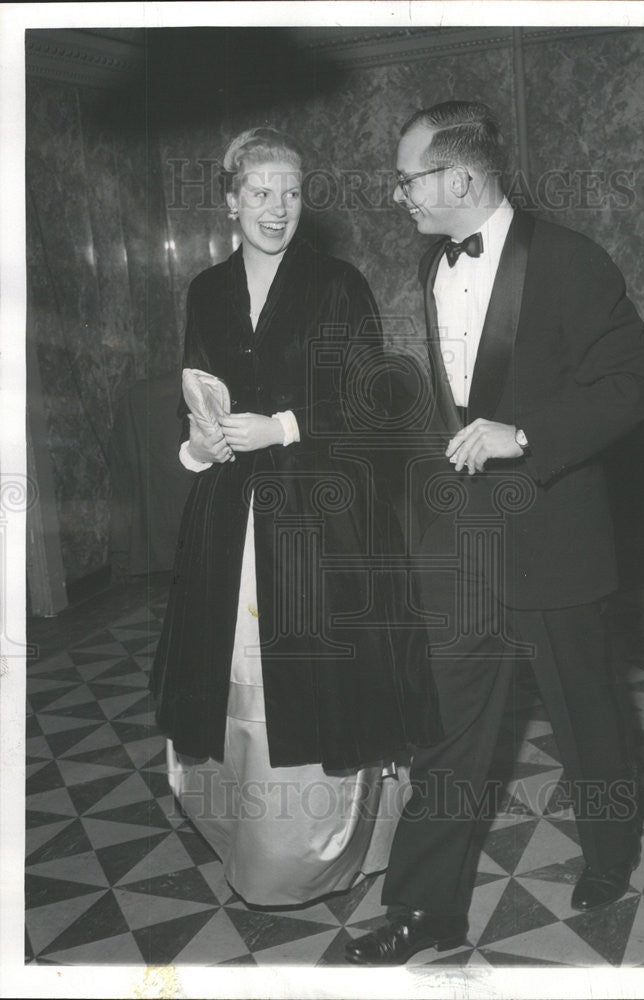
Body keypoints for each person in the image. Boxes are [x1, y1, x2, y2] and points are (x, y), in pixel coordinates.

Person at [345, 101, 644, 964]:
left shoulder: (569, 259)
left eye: (408, 177)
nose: (398, 193)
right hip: (462, 548)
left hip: (555, 539)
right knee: (447, 732)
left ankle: (608, 854)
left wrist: (525, 436)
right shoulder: (429, 266)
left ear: (461, 177)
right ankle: (424, 911)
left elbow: (635, 383)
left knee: (585, 713)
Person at [150, 126, 441, 906]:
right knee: (232, 677)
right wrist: (204, 440)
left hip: (320, 510)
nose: (277, 209)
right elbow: (196, 388)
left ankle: (314, 853)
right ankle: (244, 837)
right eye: (260, 193)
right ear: (229, 199)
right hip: (227, 513)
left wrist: (281, 426)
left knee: (316, 683)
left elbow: (372, 398)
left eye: (291, 193)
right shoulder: (205, 290)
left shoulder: (335, 281)